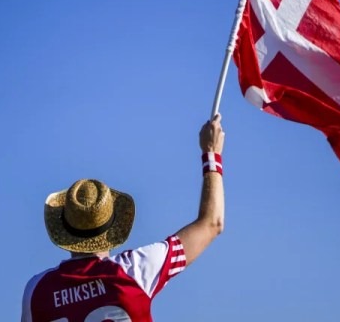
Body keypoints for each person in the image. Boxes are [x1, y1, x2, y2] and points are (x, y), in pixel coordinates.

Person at [21, 114, 226, 322]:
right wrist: (211, 153)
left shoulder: (36, 291)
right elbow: (212, 223)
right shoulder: (135, 270)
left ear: (64, 230)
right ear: (112, 227)